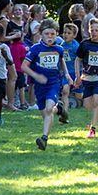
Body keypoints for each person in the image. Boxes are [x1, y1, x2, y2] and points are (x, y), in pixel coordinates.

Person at [22, 19, 72, 150]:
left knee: (49, 109)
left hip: (53, 83)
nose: (50, 37)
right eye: (47, 34)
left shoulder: (59, 49)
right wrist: (36, 75)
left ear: (56, 34)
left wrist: (66, 75)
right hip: (39, 86)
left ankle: (44, 139)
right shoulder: (36, 49)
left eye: (52, 34)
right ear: (41, 34)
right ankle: (59, 109)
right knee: (46, 114)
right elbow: (24, 66)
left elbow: (62, 62)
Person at [60, 23, 80, 122]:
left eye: (69, 33)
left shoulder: (76, 46)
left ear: (74, 35)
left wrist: (79, 74)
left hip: (76, 72)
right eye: (64, 32)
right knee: (65, 91)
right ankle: (65, 112)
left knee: (79, 96)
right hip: (66, 73)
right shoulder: (61, 46)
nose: (66, 35)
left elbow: (80, 59)